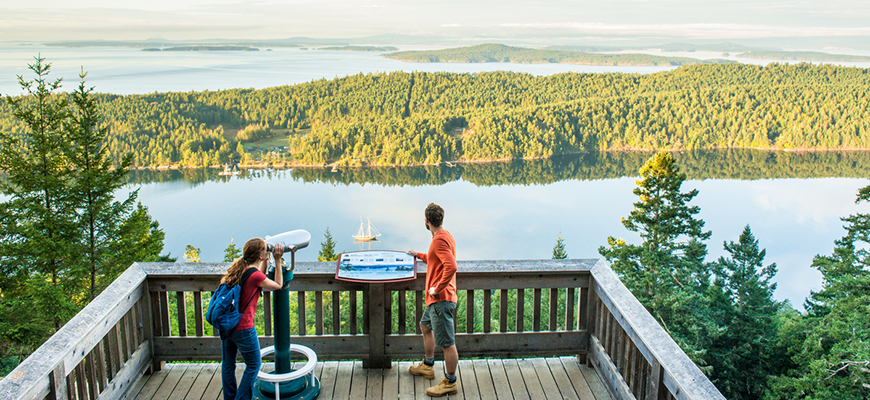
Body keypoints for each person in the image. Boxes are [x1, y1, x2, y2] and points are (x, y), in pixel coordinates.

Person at [221, 238, 285, 400]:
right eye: (265, 250)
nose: (267, 251)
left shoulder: (239, 269)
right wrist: (277, 261)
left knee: (228, 364)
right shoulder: (254, 275)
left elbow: (259, 275)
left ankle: (230, 397)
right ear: (261, 255)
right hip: (243, 328)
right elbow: (278, 285)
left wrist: (265, 257)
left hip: (228, 325)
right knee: (253, 365)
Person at [407, 203, 459, 397]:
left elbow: (451, 266)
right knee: (425, 327)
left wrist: (437, 288)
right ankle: (428, 365)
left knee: (447, 343)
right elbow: (435, 258)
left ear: (427, 221)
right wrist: (418, 255)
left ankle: (450, 382)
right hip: (434, 300)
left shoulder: (439, 240)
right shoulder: (444, 236)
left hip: (441, 299)